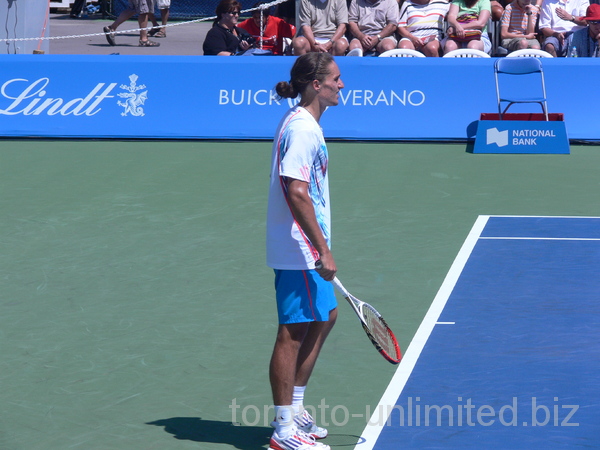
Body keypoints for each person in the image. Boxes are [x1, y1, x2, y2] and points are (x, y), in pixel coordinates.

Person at [267, 52, 344, 450]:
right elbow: (295, 190)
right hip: (300, 248)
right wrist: (321, 248)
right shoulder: (303, 130)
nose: (341, 85)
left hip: (308, 246)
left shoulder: (306, 124)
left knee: (326, 316)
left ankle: (295, 410)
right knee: (292, 333)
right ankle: (283, 431)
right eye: (336, 78)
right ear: (317, 84)